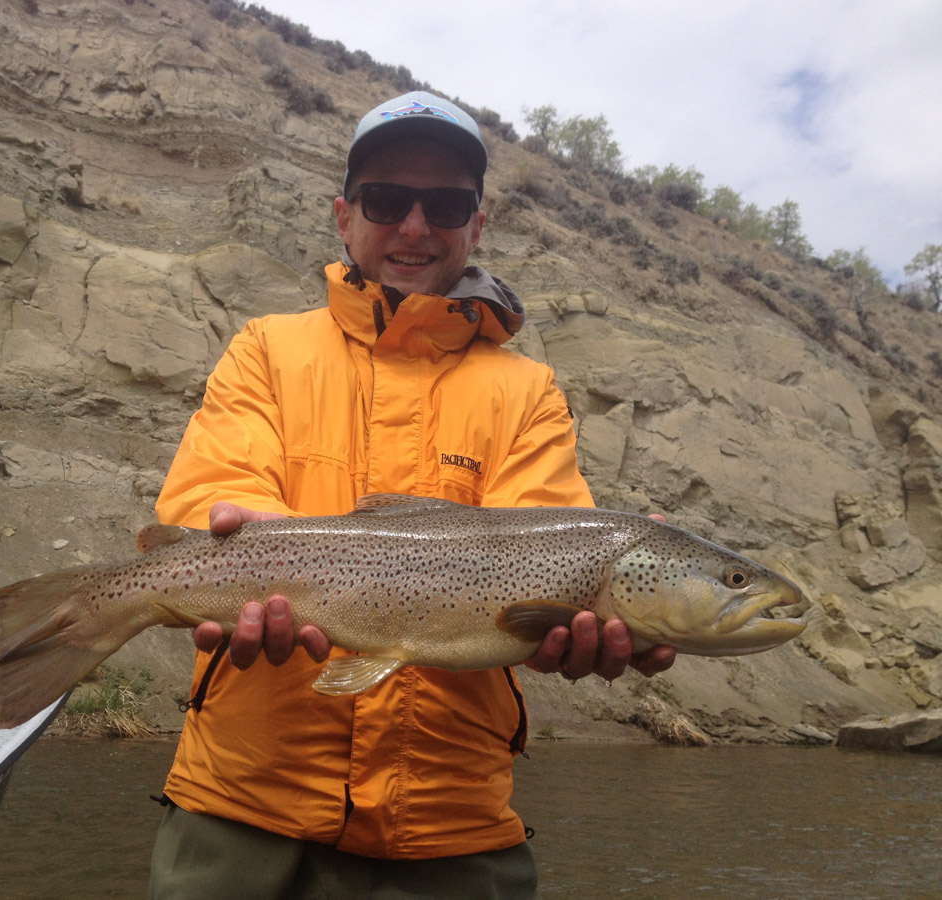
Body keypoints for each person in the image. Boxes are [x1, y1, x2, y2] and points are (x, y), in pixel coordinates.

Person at [148, 90, 675, 898]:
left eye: (447, 205)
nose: (416, 227)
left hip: (452, 829)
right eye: (388, 200)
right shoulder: (266, 347)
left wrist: (590, 624)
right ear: (344, 215)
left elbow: (545, 546)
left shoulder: (528, 390)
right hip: (240, 811)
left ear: (477, 224)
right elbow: (212, 491)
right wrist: (250, 545)